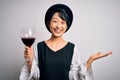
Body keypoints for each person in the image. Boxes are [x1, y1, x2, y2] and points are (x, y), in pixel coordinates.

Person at [20, 4, 112, 80]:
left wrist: (89, 61)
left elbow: (75, 76)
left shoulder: (72, 48)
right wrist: (29, 60)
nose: (58, 26)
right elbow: (36, 76)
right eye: (55, 21)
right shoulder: (39, 47)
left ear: (67, 26)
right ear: (49, 23)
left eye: (63, 22)